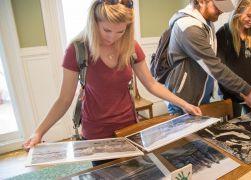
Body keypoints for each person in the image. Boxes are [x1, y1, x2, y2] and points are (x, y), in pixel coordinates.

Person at [23, 0, 201, 166]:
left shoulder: (131, 46)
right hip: (96, 134)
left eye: (120, 31)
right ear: (94, 22)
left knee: (136, 172)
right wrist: (39, 132)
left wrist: (184, 104)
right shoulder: (77, 50)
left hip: (129, 128)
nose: (113, 37)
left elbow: (151, 84)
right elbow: (64, 99)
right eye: (106, 30)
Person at [165, 0, 251, 115]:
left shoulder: (206, 21)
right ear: (201, 1)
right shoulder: (190, 28)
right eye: (217, 6)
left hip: (200, 96)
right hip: (183, 100)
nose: (221, 10)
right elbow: (215, 67)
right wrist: (247, 90)